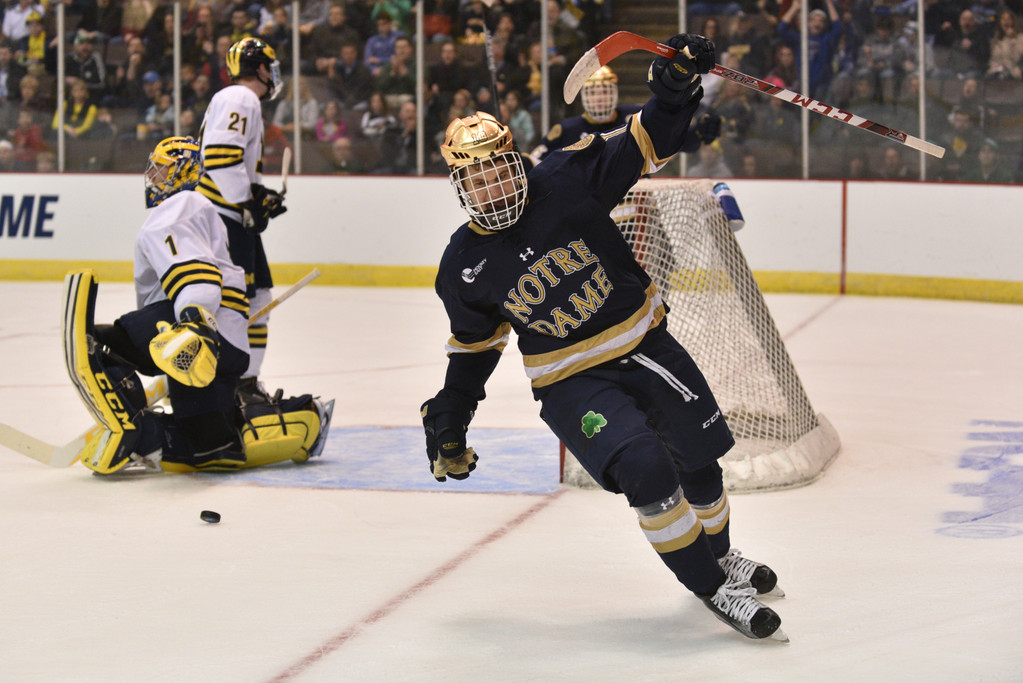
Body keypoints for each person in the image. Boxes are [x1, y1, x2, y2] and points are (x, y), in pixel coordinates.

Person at [420, 34, 787, 642]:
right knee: (647, 468)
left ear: (515, 162)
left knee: (700, 462)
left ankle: (722, 556)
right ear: (460, 187)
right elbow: (475, 346)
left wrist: (675, 89)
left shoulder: (566, 177)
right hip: (571, 381)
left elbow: (648, 138)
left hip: (646, 346)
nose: (492, 188)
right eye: (476, 179)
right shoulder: (463, 265)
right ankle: (710, 584)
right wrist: (453, 411)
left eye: (498, 170)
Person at [62, 136, 331, 475]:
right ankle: (150, 437)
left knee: (101, 344)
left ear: (182, 171)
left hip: (198, 333)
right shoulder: (196, 206)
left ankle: (129, 427)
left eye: (161, 169)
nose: (152, 176)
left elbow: (195, 272)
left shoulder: (180, 204)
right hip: (223, 343)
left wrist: (194, 322)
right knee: (211, 446)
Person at [196, 37, 287, 403]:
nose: (273, 74)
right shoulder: (241, 98)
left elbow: (229, 161)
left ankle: (245, 381)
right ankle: (232, 385)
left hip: (228, 212)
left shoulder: (235, 99)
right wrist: (246, 203)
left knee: (258, 296)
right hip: (225, 216)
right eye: (270, 66)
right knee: (238, 303)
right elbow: (220, 158)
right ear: (261, 68)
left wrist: (258, 194)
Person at [530, 66, 721, 163]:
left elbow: (673, 141)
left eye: (605, 91)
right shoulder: (566, 130)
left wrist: (698, 134)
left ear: (615, 93)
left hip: (636, 204)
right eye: (594, 92)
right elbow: (535, 163)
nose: (600, 98)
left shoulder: (636, 116)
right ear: (584, 96)